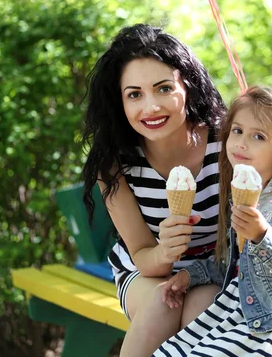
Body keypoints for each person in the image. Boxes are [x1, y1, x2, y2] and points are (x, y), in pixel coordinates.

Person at [156, 86, 272, 357]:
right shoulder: (244, 196)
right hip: (237, 312)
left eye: (258, 136)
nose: (242, 143)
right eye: (237, 131)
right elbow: (236, 265)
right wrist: (189, 275)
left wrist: (264, 236)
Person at [82, 24, 226, 357]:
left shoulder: (226, 140)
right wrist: (165, 252)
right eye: (135, 94)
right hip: (145, 271)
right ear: (120, 102)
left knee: (200, 312)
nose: (151, 107)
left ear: (186, 86)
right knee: (164, 302)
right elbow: (145, 255)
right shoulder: (115, 162)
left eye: (163, 89)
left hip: (215, 269)